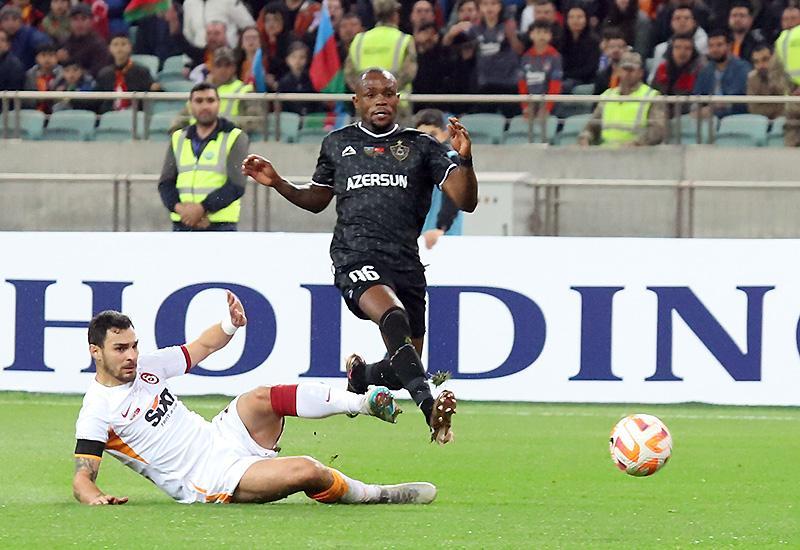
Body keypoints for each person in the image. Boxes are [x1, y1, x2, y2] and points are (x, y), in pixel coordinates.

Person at [241, 69, 479, 444]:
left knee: (401, 369)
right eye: (371, 94)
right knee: (393, 316)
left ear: (398, 99)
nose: (380, 99)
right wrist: (280, 183)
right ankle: (429, 408)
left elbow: (466, 201)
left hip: (406, 263)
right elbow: (317, 199)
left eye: (388, 93)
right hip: (354, 255)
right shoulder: (338, 144)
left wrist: (465, 160)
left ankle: (361, 375)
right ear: (357, 101)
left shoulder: (421, 145)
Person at [72, 292, 434, 506]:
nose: (131, 356)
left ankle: (362, 403)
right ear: (95, 352)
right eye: (120, 349)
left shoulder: (149, 366)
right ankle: (375, 494)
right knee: (307, 470)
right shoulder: (97, 410)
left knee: (262, 397)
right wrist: (94, 497)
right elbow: (82, 477)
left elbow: (203, 346)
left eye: (134, 346)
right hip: (209, 477)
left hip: (219, 435)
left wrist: (230, 324)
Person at [159, 82, 249, 231]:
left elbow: (237, 185)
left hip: (221, 224)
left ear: (219, 104)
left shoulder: (235, 137)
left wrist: (202, 209)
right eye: (199, 101)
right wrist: (181, 210)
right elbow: (166, 183)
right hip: (183, 222)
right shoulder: (178, 138)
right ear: (190, 105)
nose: (205, 106)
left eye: (210, 100)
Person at [578, 51, 666, 146]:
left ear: (640, 73)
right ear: (618, 71)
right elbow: (593, 124)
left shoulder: (652, 97)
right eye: (625, 69)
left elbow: (657, 131)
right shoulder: (608, 95)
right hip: (605, 150)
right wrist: (585, 138)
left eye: (631, 70)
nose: (627, 73)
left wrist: (637, 143)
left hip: (637, 152)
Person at [345, 0, 417, 99]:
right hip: (396, 102)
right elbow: (408, 73)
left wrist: (368, 94)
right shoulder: (404, 40)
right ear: (394, 15)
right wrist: (386, 93)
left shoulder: (359, 40)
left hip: (366, 102)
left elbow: (349, 74)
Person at [414, 108, 464, 248]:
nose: (427, 139)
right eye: (422, 134)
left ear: (444, 134)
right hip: (418, 237)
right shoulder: (414, 162)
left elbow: (454, 197)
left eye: (433, 134)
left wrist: (441, 228)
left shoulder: (452, 160)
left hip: (443, 237)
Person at [692, 28, 750, 118]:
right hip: (709, 119)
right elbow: (697, 96)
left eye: (719, 45)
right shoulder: (705, 71)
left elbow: (739, 100)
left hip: (736, 117)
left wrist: (713, 107)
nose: (714, 49)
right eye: (711, 46)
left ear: (729, 46)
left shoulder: (743, 68)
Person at [96, 32, 157, 113]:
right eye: (115, 44)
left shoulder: (141, 71)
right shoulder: (104, 74)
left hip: (134, 114)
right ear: (109, 48)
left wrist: (155, 88)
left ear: (130, 47)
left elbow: (153, 90)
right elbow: (95, 99)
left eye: (123, 44)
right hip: (109, 114)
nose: (119, 48)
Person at [650, 32, 703, 113]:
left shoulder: (699, 71)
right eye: (678, 47)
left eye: (687, 48)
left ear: (693, 51)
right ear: (671, 50)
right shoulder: (662, 69)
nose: (682, 52)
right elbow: (653, 93)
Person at [518, 20, 562, 117]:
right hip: (530, 103)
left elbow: (555, 85)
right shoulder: (525, 57)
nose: (542, 35)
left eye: (545, 32)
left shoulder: (555, 57)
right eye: (538, 32)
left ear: (550, 35)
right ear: (531, 35)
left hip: (549, 105)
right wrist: (525, 106)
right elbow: (522, 83)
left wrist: (547, 108)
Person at [60, 3, 112, 78]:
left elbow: (99, 71)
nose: (79, 23)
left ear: (91, 21)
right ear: (70, 22)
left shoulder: (98, 45)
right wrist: (59, 60)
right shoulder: (64, 41)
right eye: (75, 19)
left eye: (83, 19)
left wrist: (76, 72)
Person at [182, 0, 255, 50]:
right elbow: (188, 33)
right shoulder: (188, 3)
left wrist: (239, 48)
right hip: (200, 55)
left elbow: (249, 26)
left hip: (229, 54)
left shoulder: (229, 1)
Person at [773, 12, 800, 145]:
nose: (789, 22)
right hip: (791, 97)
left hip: (794, 94)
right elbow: (775, 71)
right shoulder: (780, 41)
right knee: (791, 139)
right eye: (785, 19)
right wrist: (787, 89)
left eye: (793, 18)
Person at [561, 5, 600, 87]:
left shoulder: (594, 41)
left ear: (586, 19)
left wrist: (566, 75)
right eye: (571, 17)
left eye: (579, 17)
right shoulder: (561, 40)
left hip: (585, 80)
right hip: (564, 77)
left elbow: (590, 68)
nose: (575, 21)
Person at [746, 44, 785, 120]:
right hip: (761, 123)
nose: (761, 65)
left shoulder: (785, 75)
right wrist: (777, 107)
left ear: (774, 59)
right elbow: (754, 109)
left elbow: (788, 106)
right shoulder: (752, 79)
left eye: (765, 60)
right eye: (756, 62)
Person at [23, 41, 61, 112]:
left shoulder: (63, 74)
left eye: (51, 55)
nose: (47, 59)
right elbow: (26, 100)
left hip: (57, 112)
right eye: (43, 55)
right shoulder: (30, 75)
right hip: (34, 112)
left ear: (57, 58)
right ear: (36, 58)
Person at [593, 26, 627, 94]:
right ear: (606, 50)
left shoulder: (634, 72)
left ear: (626, 49)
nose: (616, 50)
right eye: (612, 47)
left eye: (620, 47)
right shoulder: (602, 76)